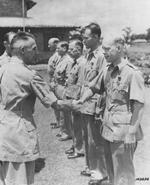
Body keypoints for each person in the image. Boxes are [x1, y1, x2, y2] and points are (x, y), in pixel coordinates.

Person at [76, 37, 145, 185]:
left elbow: (139, 106)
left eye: (108, 49)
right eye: (104, 49)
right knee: (112, 171)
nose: (104, 52)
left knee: (124, 174)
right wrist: (82, 100)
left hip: (123, 131)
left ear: (119, 49)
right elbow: (94, 87)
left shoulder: (132, 73)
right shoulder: (107, 70)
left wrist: (131, 133)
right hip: (107, 128)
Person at [0, 31, 60, 185]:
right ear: (22, 50)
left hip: (4, 129)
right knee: (20, 179)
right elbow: (54, 103)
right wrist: (77, 104)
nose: (37, 52)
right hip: (19, 132)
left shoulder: (2, 68)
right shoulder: (29, 74)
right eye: (34, 48)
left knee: (6, 178)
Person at [77, 23, 108, 185]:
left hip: (94, 104)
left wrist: (99, 108)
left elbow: (102, 85)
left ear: (96, 37)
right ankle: (90, 166)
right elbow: (84, 82)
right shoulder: (88, 55)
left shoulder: (102, 56)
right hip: (85, 103)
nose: (83, 40)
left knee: (96, 140)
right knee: (87, 138)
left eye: (86, 37)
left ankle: (100, 172)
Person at [64, 39, 85, 159]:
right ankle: (75, 145)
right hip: (70, 97)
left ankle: (79, 149)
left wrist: (76, 101)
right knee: (73, 125)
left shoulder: (82, 64)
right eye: (69, 49)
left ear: (79, 50)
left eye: (72, 49)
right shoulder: (74, 62)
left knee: (78, 125)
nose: (70, 51)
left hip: (76, 99)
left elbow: (81, 84)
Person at [52, 41, 73, 141]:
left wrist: (67, 91)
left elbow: (69, 77)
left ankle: (67, 132)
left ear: (64, 48)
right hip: (58, 87)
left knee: (65, 112)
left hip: (64, 88)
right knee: (60, 110)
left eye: (58, 48)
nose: (57, 50)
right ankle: (63, 130)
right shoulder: (61, 59)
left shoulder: (68, 60)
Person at [47, 37, 61, 129]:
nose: (48, 46)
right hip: (53, 82)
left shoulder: (58, 56)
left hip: (56, 83)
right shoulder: (55, 55)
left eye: (50, 44)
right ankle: (59, 122)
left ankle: (62, 124)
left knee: (58, 104)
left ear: (56, 44)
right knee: (55, 104)